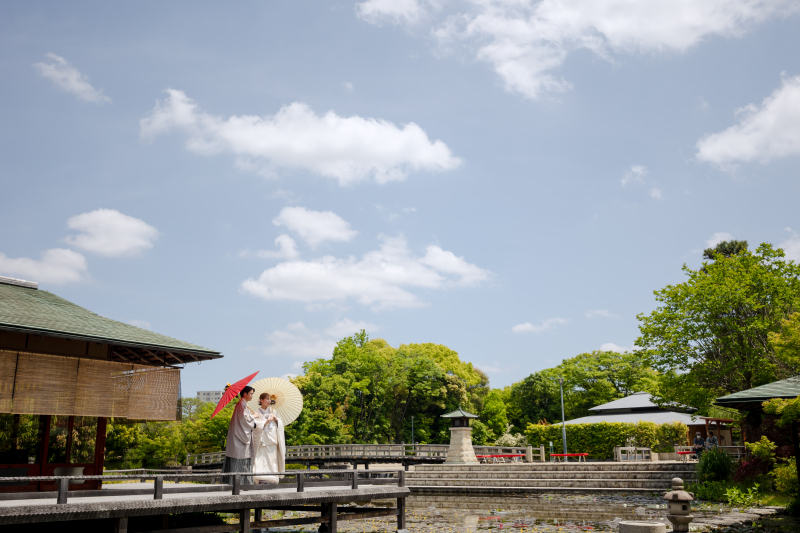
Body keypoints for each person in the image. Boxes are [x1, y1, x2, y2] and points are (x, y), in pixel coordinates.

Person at [222, 385, 261, 484]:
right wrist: (254, 417)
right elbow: (244, 419)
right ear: (245, 394)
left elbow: (245, 418)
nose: (252, 396)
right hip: (239, 438)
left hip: (240, 436)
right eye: (251, 394)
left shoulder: (243, 404)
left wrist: (252, 418)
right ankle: (238, 484)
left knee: (242, 462)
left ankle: (239, 483)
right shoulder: (241, 405)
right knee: (240, 462)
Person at [253, 392, 286, 484]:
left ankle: (272, 478)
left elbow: (280, 424)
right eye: (266, 399)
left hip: (272, 438)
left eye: (269, 399)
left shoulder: (274, 411)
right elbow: (255, 425)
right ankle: (261, 478)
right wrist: (265, 421)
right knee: (261, 458)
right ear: (261, 400)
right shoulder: (257, 412)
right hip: (262, 439)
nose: (268, 400)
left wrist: (276, 420)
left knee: (272, 458)